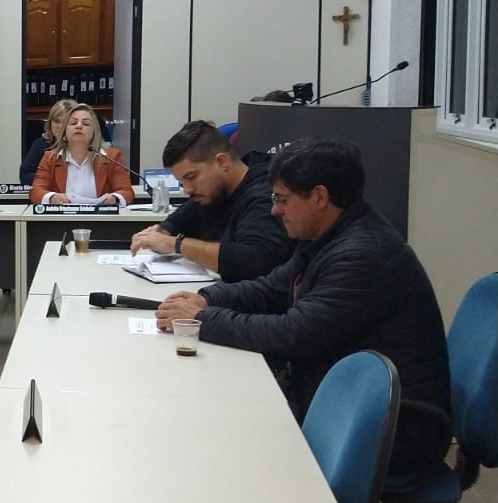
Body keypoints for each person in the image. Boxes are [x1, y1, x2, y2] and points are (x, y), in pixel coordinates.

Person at [155, 138, 450, 480]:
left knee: (211, 437)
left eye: (282, 199)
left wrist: (202, 319)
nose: (274, 211)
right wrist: (207, 298)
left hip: (388, 429)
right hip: (339, 398)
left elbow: (292, 334)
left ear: (320, 197)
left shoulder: (362, 254)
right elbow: (272, 288)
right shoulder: (328, 236)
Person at [129, 120, 290, 282]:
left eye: (191, 177)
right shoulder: (212, 192)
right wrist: (161, 233)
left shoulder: (264, 195)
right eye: (181, 181)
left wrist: (176, 245)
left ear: (222, 162)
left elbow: (255, 261)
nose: (187, 190)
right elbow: (174, 224)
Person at [30, 103, 134, 206]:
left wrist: (115, 198)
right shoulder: (50, 158)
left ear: (94, 132)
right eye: (73, 123)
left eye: (86, 124)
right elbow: (36, 192)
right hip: (64, 216)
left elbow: (126, 191)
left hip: (101, 216)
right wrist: (52, 198)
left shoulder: (112, 157)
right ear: (64, 131)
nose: (79, 126)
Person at [19, 98, 76, 185]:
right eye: (56, 121)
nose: (60, 126)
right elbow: (25, 176)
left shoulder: (84, 146)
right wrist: (52, 181)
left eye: (65, 122)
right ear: (50, 123)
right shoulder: (42, 144)